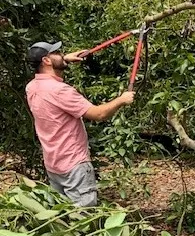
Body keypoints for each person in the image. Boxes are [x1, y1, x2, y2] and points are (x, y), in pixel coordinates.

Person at [25, 41, 135, 207]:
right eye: (57, 53)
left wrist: (65, 59)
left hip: (53, 164)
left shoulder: (32, 87)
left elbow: (49, 74)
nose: (61, 54)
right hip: (74, 165)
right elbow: (98, 114)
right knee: (83, 218)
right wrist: (122, 100)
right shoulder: (60, 91)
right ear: (46, 61)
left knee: (63, 216)